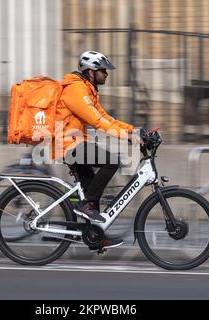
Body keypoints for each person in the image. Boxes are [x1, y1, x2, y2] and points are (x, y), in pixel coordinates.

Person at [54, 51, 135, 249]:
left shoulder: (88, 89)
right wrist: (127, 136)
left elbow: (106, 118)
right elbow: (97, 122)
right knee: (111, 161)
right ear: (91, 71)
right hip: (68, 145)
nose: (106, 74)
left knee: (92, 189)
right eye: (103, 70)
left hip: (75, 142)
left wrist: (133, 131)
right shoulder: (76, 90)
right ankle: (85, 206)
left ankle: (95, 236)